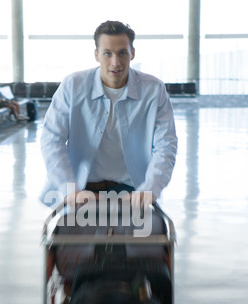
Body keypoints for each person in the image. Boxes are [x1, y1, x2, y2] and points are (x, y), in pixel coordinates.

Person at [41, 21, 178, 209]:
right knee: (67, 236)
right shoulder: (73, 86)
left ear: (133, 53)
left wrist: (150, 188)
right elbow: (52, 139)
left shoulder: (154, 90)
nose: (115, 62)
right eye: (108, 53)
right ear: (96, 55)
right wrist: (68, 188)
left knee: (146, 236)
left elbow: (166, 145)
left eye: (122, 53)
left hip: (133, 190)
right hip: (80, 187)